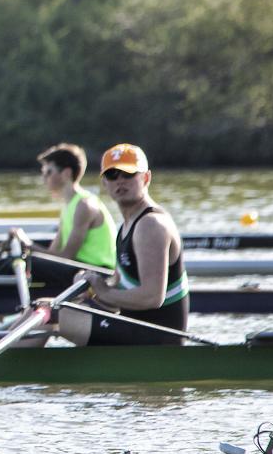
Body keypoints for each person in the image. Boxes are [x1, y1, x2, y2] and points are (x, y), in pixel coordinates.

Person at [54, 144, 190, 347]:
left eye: (128, 174)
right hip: (133, 326)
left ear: (146, 178)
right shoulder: (127, 225)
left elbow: (152, 297)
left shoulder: (151, 224)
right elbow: (118, 289)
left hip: (157, 340)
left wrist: (102, 291)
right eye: (112, 175)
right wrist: (91, 287)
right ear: (104, 184)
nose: (120, 181)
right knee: (44, 308)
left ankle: (5, 375)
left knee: (50, 316)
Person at [33, 142, 115, 268]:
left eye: (48, 171)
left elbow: (67, 257)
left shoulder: (84, 206)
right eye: (43, 171)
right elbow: (52, 254)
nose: (44, 177)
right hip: (78, 269)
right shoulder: (68, 205)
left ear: (66, 173)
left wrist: (28, 246)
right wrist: (25, 247)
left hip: (96, 273)